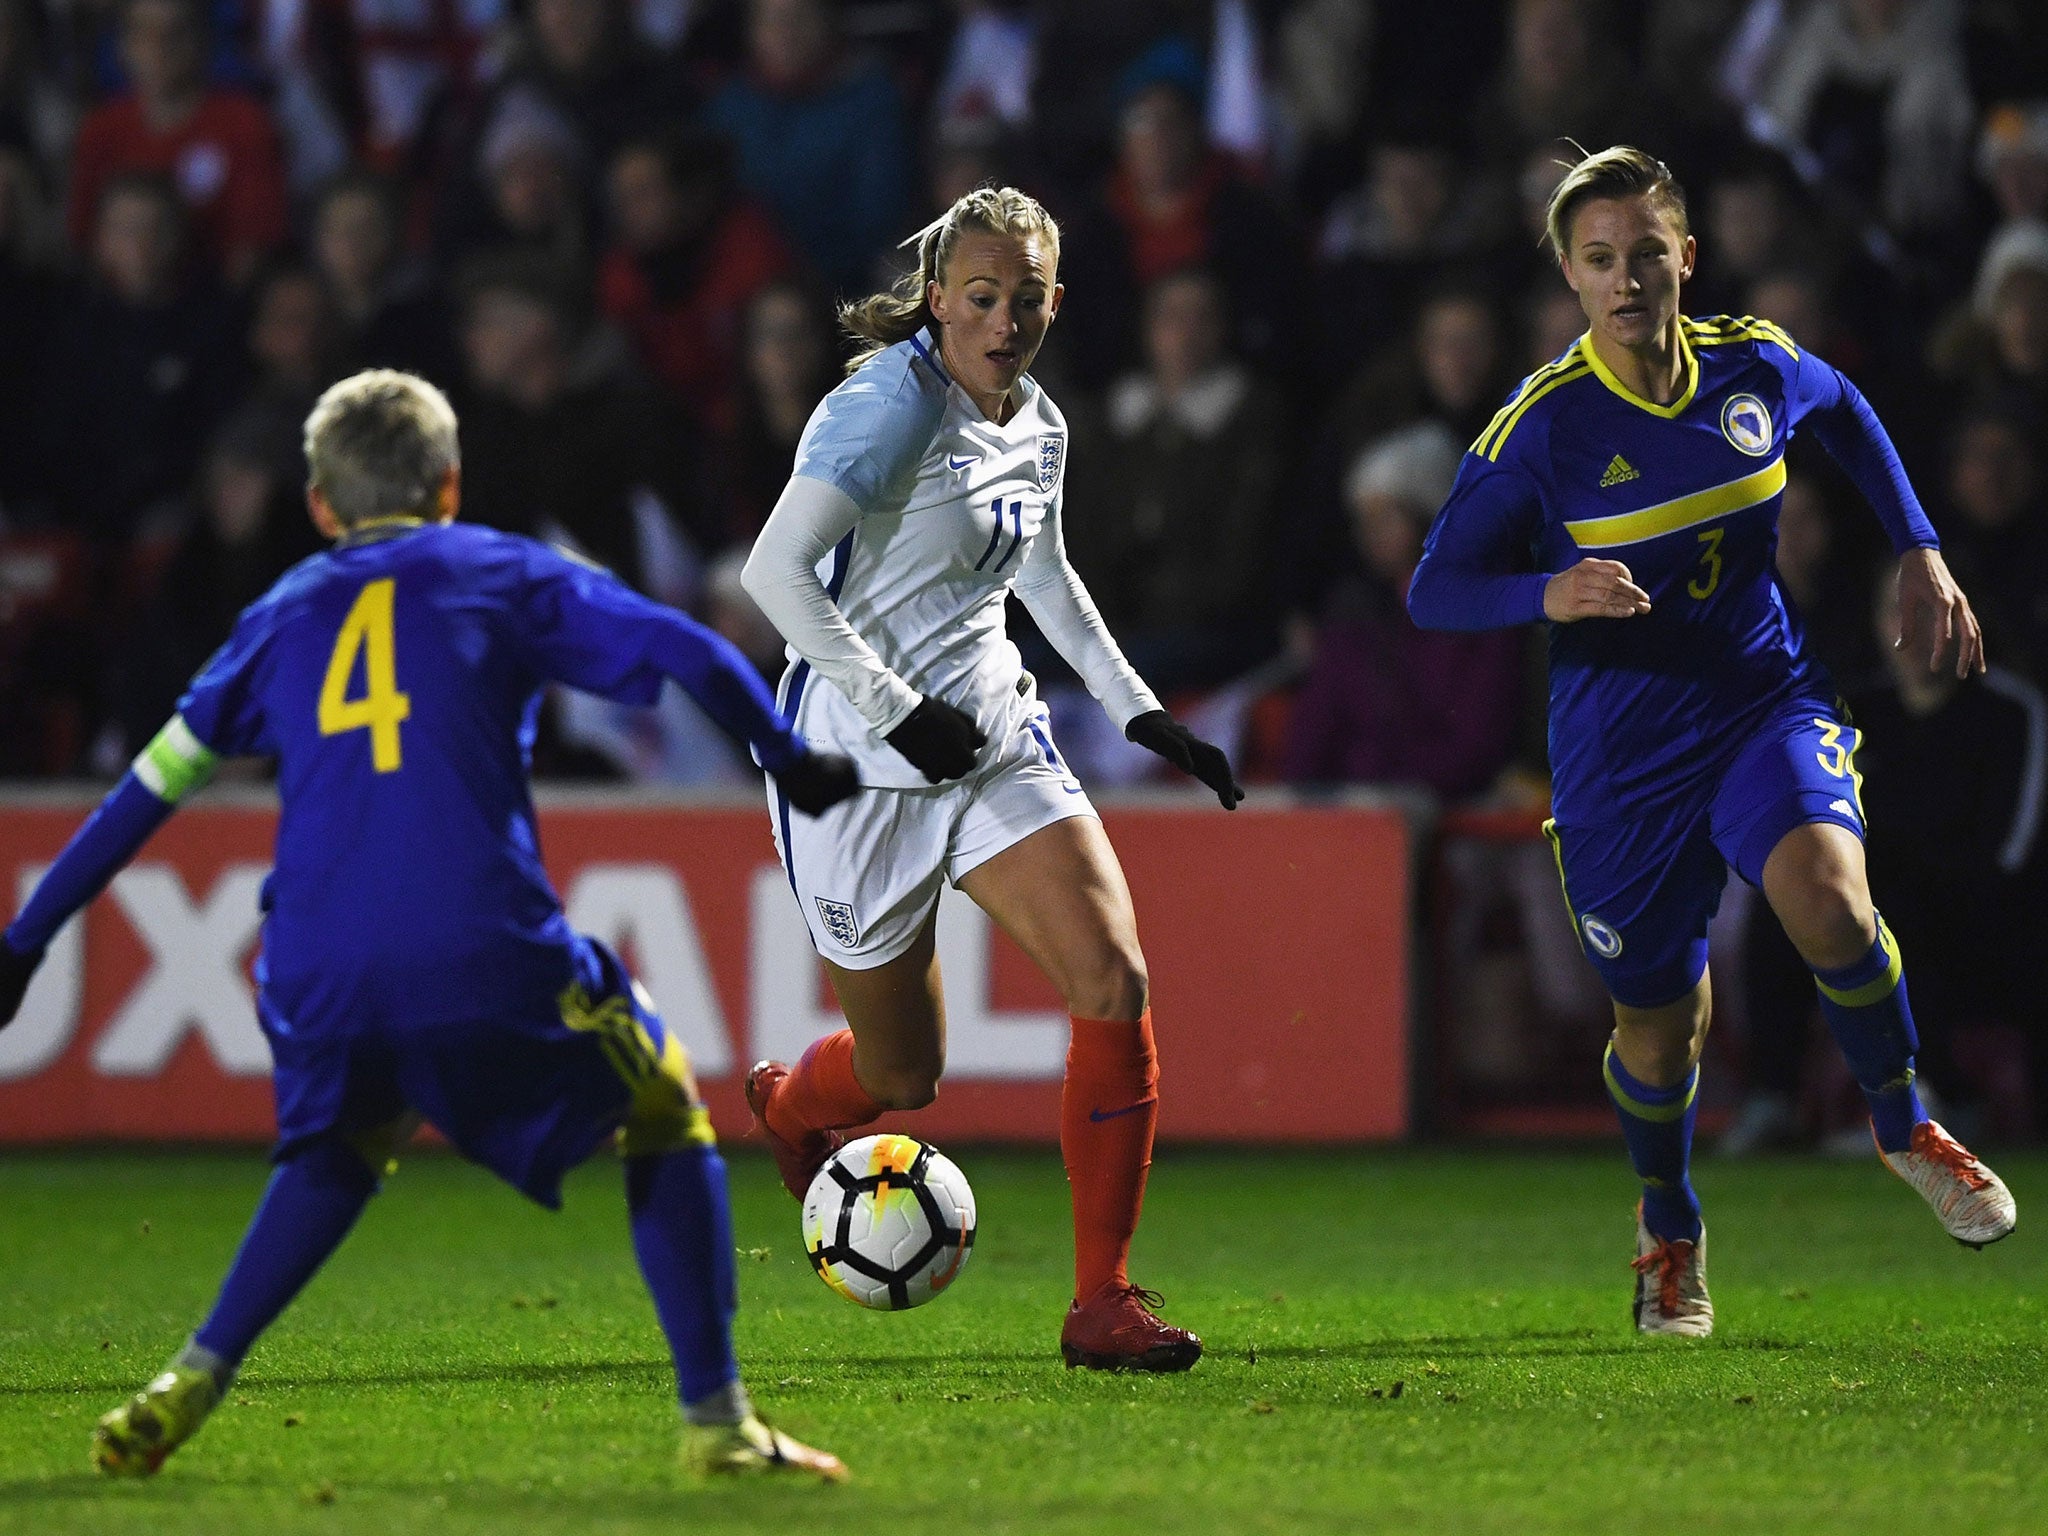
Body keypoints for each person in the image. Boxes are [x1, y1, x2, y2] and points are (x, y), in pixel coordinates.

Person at [0, 369, 858, 1480]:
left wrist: (25, 943)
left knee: (337, 1150)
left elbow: (143, 796)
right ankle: (718, 1423)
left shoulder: (275, 616)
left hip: (309, 959)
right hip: (474, 939)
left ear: (319, 505)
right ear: (449, 486)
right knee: (662, 1111)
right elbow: (689, 651)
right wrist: (793, 763)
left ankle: (192, 1374)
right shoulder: (496, 570)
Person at [1407, 146, 2016, 1338]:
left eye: (1645, 252)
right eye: (1599, 261)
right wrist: (1548, 594)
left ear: (1685, 256)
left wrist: (1917, 544)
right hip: (1618, 763)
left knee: (1830, 904)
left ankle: (1903, 1127)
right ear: (1570, 282)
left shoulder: (1753, 365)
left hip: (1757, 702)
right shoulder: (1543, 426)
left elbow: (1842, 408)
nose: (1626, 278)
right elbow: (1434, 588)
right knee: (1657, 1026)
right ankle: (1667, 1224)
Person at [738, 186, 1242, 1373]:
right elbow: (774, 576)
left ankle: (1100, 1303)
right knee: (900, 1076)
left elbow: (1046, 578)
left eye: (1025, 299)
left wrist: (1140, 712)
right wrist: (893, 711)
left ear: (1054, 303)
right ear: (935, 299)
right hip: (857, 771)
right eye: (980, 297)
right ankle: (788, 1108)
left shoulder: (1037, 419)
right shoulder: (880, 409)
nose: (1003, 320)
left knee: (1112, 977)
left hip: (991, 742)